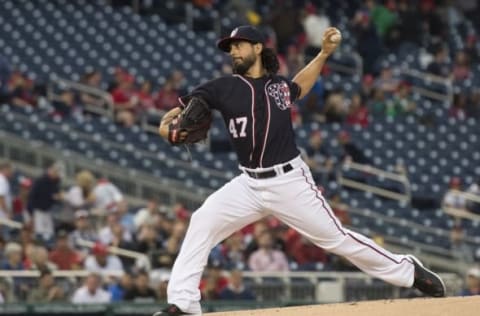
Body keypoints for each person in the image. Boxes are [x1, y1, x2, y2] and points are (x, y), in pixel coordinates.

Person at [155, 25, 445, 315]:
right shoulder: (221, 88)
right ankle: (183, 304)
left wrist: (323, 55)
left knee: (336, 239)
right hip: (248, 184)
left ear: (258, 48)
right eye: (229, 47)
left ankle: (407, 269)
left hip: (289, 182)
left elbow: (299, 87)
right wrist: (167, 127)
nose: (233, 51)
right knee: (202, 221)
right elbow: (186, 112)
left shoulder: (278, 87)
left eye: (238, 45)